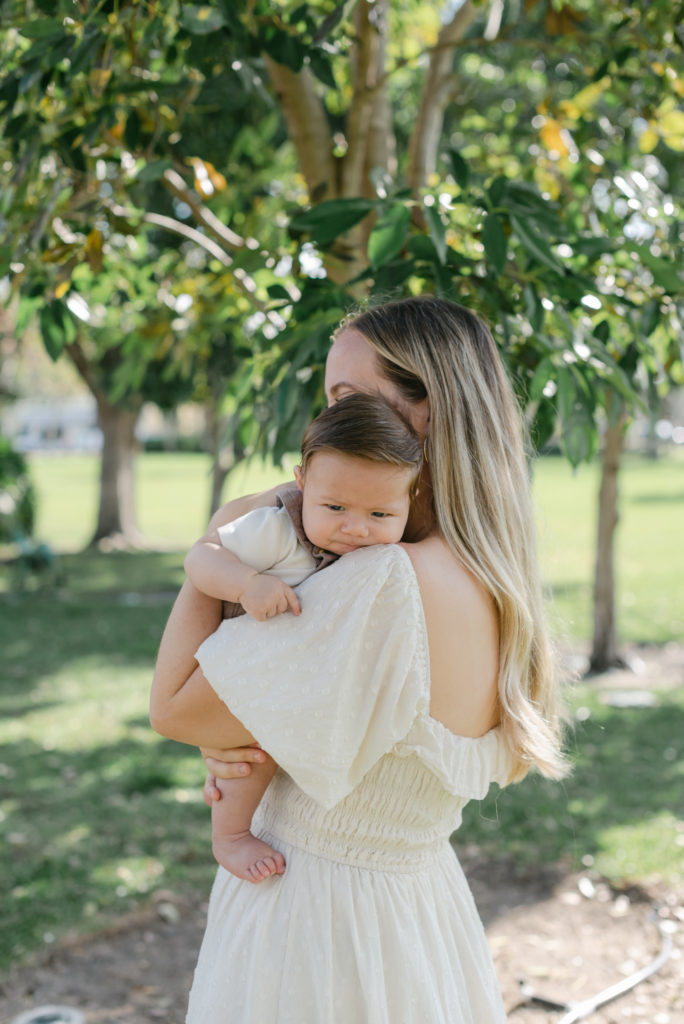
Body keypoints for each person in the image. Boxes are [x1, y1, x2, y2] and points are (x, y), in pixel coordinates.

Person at [150, 295, 568, 1023]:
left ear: (427, 410)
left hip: (318, 927)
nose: (326, 424)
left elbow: (177, 709)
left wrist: (213, 554)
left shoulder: (380, 582)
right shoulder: (487, 576)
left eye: (346, 399)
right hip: (418, 915)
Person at [183, 392, 422, 883]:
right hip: (249, 667)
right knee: (251, 755)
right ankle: (229, 836)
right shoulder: (277, 529)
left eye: (380, 515)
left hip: (298, 671)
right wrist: (246, 584)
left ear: (409, 502)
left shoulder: (388, 557)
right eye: (334, 506)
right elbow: (200, 557)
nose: (355, 528)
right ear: (301, 482)